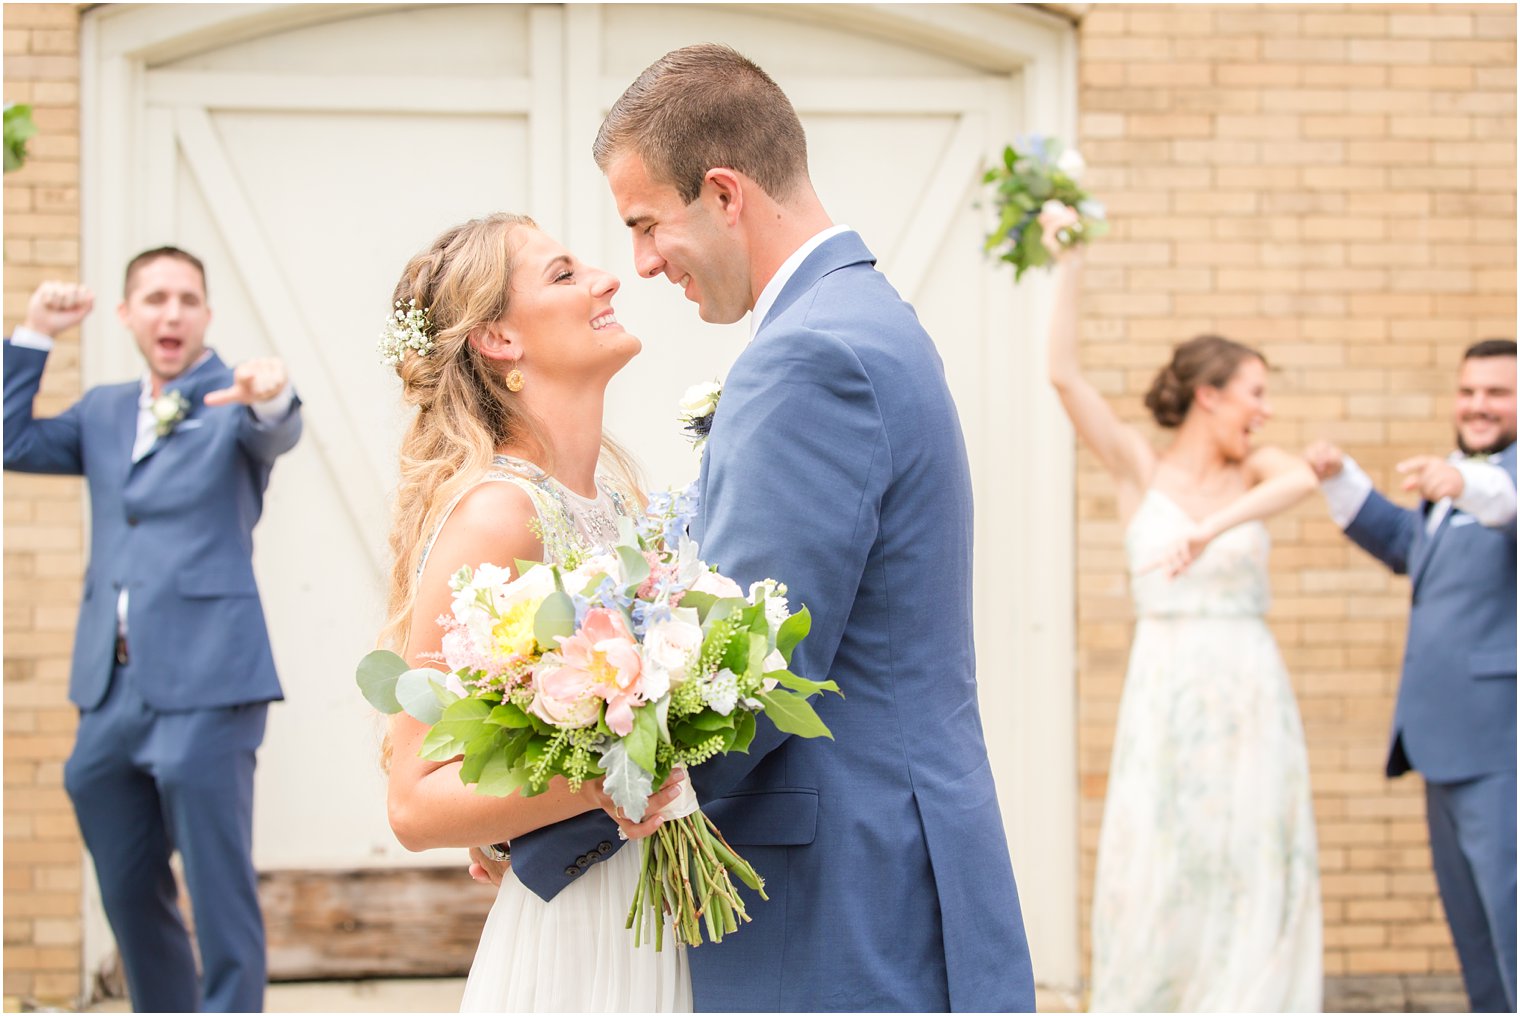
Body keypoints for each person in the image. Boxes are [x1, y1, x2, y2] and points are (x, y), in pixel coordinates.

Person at [501, 44, 1036, 1012]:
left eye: (645, 224)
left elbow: (745, 679)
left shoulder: (809, 355)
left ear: (722, 191)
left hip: (841, 891)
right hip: (878, 852)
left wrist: (532, 822)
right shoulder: (858, 319)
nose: (642, 262)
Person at [377, 213, 693, 1012]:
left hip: (661, 903)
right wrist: (607, 783)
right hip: (586, 931)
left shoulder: (626, 500)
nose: (608, 278)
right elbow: (415, 804)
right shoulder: (497, 513)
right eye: (563, 274)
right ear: (499, 340)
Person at [3, 250, 302, 1013]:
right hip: (110, 686)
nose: (173, 313)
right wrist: (35, 333)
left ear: (205, 315)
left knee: (216, 884)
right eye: (156, 298)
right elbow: (13, 441)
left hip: (209, 681)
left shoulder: (233, 397)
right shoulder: (102, 410)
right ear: (127, 314)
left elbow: (276, 432)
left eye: (188, 299)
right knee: (129, 886)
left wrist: (270, 398)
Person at [1041, 234, 1323, 1010]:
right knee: (1167, 850)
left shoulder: (1256, 469)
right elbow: (1063, 377)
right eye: (1255, 394)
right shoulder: (1140, 468)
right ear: (1210, 395)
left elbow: (1301, 480)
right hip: (1167, 691)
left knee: (1253, 847)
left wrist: (1210, 529)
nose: (1264, 412)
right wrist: (1071, 265)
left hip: (1251, 691)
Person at [1305, 338, 1517, 1013]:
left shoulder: (1494, 482)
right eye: (1468, 391)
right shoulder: (1454, 480)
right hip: (1439, 741)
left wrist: (1467, 485)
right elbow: (1406, 546)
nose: (1478, 406)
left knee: (1513, 929)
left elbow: (1503, 503)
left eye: (1498, 393)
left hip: (1502, 746)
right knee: (1476, 937)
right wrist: (1342, 478)